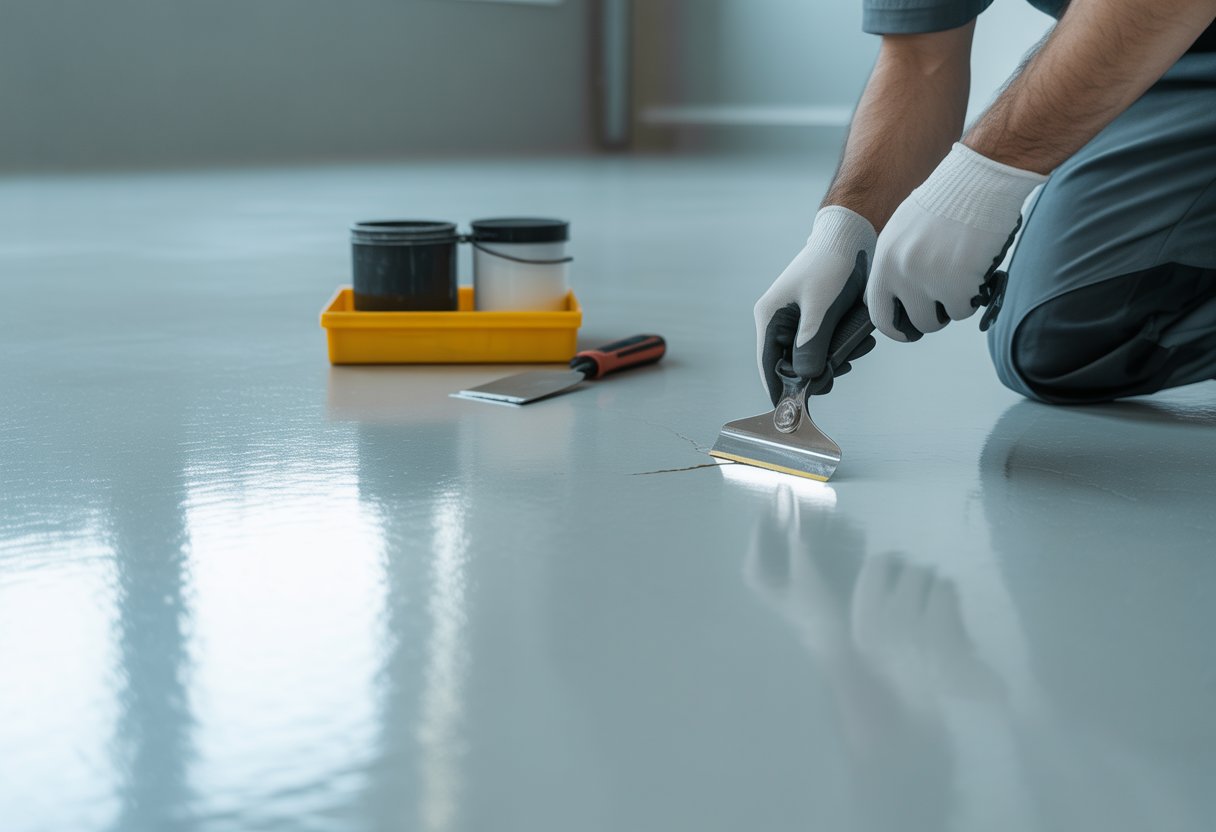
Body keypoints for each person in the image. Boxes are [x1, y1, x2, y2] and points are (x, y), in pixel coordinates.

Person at [754, 0, 1216, 405]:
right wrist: (845, 232)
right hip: (1164, 58)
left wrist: (982, 180)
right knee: (1061, 339)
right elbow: (921, 58)